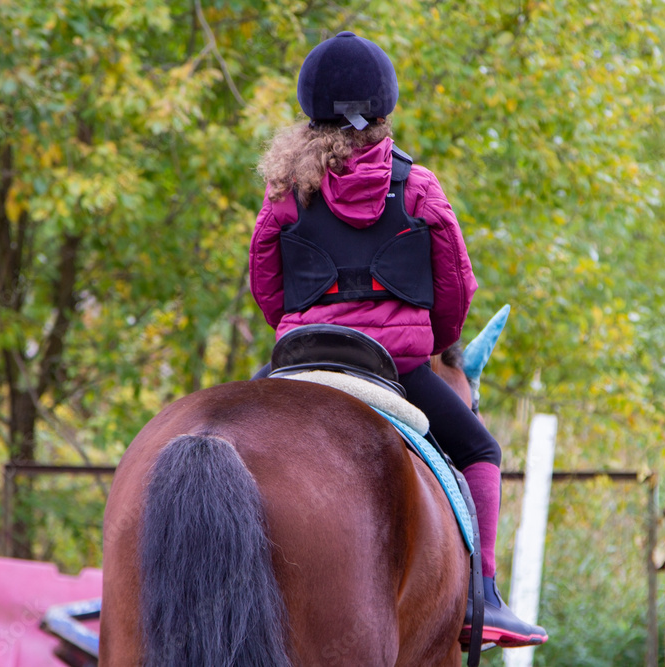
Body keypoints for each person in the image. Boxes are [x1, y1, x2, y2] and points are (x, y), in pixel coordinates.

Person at [249, 30, 547, 649]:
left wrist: (295, 328)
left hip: (302, 363)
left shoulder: (285, 191)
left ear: (311, 115)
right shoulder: (417, 187)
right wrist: (434, 342)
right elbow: (456, 289)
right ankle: (484, 600)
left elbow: (266, 287)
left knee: (235, 430)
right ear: (383, 111)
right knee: (481, 451)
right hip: (396, 369)